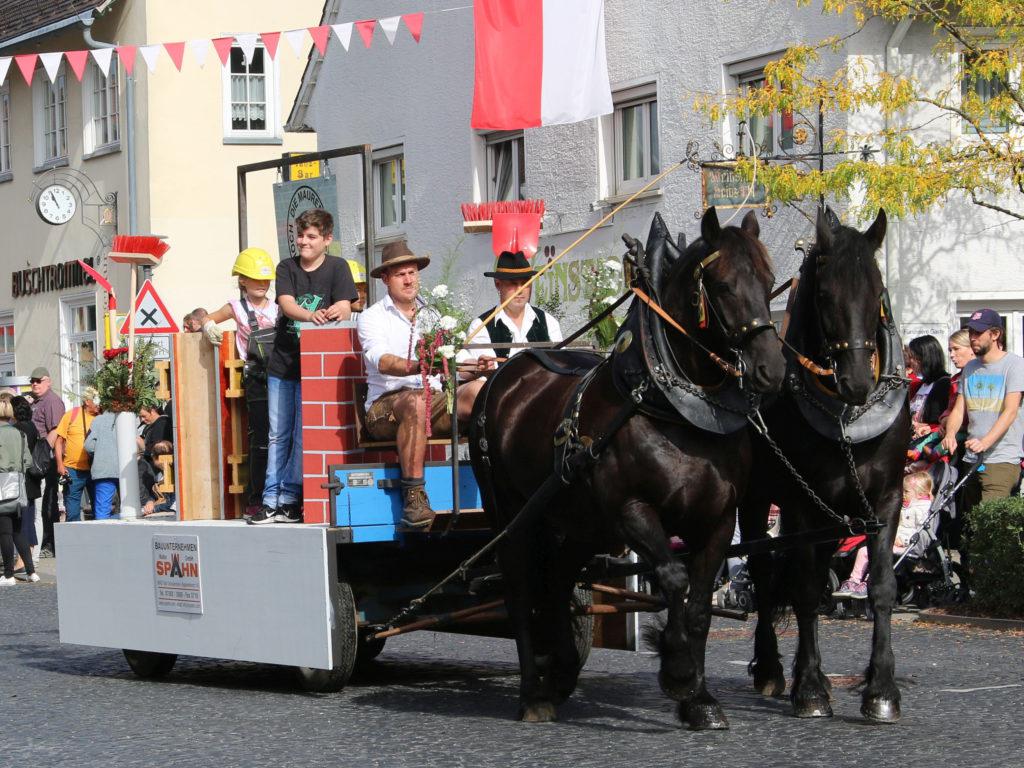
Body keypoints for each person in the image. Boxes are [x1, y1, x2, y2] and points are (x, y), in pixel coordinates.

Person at [357, 240, 490, 529]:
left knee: (482, 390)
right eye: (401, 274)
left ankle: (498, 472)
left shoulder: (433, 315)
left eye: (412, 272)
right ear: (385, 279)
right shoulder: (371, 317)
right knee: (416, 400)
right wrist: (417, 366)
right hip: (386, 407)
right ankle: (414, 497)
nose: (408, 279)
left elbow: (449, 369)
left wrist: (474, 368)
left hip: (432, 399)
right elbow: (380, 360)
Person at [249, 208, 357, 525]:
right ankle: (271, 499)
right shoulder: (287, 267)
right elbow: (286, 304)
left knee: (302, 435)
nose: (304, 242)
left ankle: (292, 498)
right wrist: (311, 316)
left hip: (315, 369)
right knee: (278, 434)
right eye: (300, 235)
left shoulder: (339, 268)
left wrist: (338, 307)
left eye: (311, 237)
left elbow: (347, 305)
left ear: (327, 239)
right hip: (283, 363)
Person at [201, 248, 279, 515]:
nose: (262, 284)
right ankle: (256, 497)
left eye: (265, 279)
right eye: (255, 278)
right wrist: (208, 326)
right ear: (242, 280)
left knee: (282, 437)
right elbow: (207, 317)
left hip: (280, 377)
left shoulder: (280, 306)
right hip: (256, 378)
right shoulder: (236, 307)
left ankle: (282, 494)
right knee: (260, 440)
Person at [941, 309, 1024, 512]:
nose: (972, 338)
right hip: (972, 458)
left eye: (978, 333)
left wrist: (985, 442)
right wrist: (950, 434)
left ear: (995, 335)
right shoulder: (970, 368)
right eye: (970, 333)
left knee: (989, 523)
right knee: (972, 523)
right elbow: (960, 409)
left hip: (1001, 459)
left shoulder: (1015, 365)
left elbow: (1010, 411)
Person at [833, 471, 934, 599]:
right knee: (865, 549)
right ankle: (854, 580)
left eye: (906, 492)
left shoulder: (922, 510)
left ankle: (870, 581)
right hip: (893, 539)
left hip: (906, 545)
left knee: (879, 551)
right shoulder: (905, 506)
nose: (903, 494)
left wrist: (903, 540)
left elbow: (920, 532)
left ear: (920, 494)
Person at [0, 399, 36, 586]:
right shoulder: (19, 433)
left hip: (2, 484)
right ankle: (31, 571)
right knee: (18, 531)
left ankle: (8, 575)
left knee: (5, 532)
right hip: (18, 484)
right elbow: (28, 461)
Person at [30, 366, 65, 557]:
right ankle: (44, 541)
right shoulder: (36, 401)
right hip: (39, 456)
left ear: (48, 381)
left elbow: (56, 431)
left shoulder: (52, 401)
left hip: (47, 459)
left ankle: (50, 544)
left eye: (38, 380)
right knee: (39, 503)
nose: (35, 384)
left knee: (49, 503)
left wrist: (43, 456)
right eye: (32, 381)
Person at [54, 387, 100, 523]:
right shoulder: (72, 415)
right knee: (73, 513)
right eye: (96, 401)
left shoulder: (102, 417)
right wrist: (60, 465)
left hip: (96, 470)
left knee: (100, 511)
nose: (99, 404)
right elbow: (58, 441)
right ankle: (73, 542)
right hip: (73, 471)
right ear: (87, 401)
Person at [8, 395, 39, 572]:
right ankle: (26, 556)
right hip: (31, 480)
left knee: (22, 520)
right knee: (29, 517)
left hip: (23, 479)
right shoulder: (32, 426)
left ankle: (23, 559)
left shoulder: (18, 428)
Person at [82, 408, 122, 520]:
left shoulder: (98, 420)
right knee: (129, 509)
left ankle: (103, 536)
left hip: (104, 468)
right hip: (126, 470)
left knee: (102, 509)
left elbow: (88, 445)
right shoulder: (130, 418)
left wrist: (100, 450)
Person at [907, 335, 951, 438]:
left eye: (913, 357)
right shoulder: (921, 384)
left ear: (925, 358)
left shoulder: (943, 384)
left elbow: (937, 421)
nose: (910, 362)